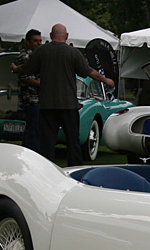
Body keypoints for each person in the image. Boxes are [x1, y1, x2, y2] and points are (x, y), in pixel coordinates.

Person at [22, 23, 115, 166]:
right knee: (73, 141)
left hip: (48, 105)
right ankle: (74, 168)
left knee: (47, 142)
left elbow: (27, 69)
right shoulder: (73, 53)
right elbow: (89, 72)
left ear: (51, 36)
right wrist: (106, 80)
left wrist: (15, 68)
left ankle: (48, 169)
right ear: (66, 36)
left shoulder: (41, 51)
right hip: (68, 105)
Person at [11, 29, 43, 153]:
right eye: (35, 41)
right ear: (28, 42)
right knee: (33, 128)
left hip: (38, 98)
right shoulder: (25, 56)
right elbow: (26, 78)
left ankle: (29, 151)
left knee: (35, 127)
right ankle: (31, 152)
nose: (38, 43)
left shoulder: (37, 56)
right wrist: (44, 85)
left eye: (40, 41)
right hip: (31, 98)